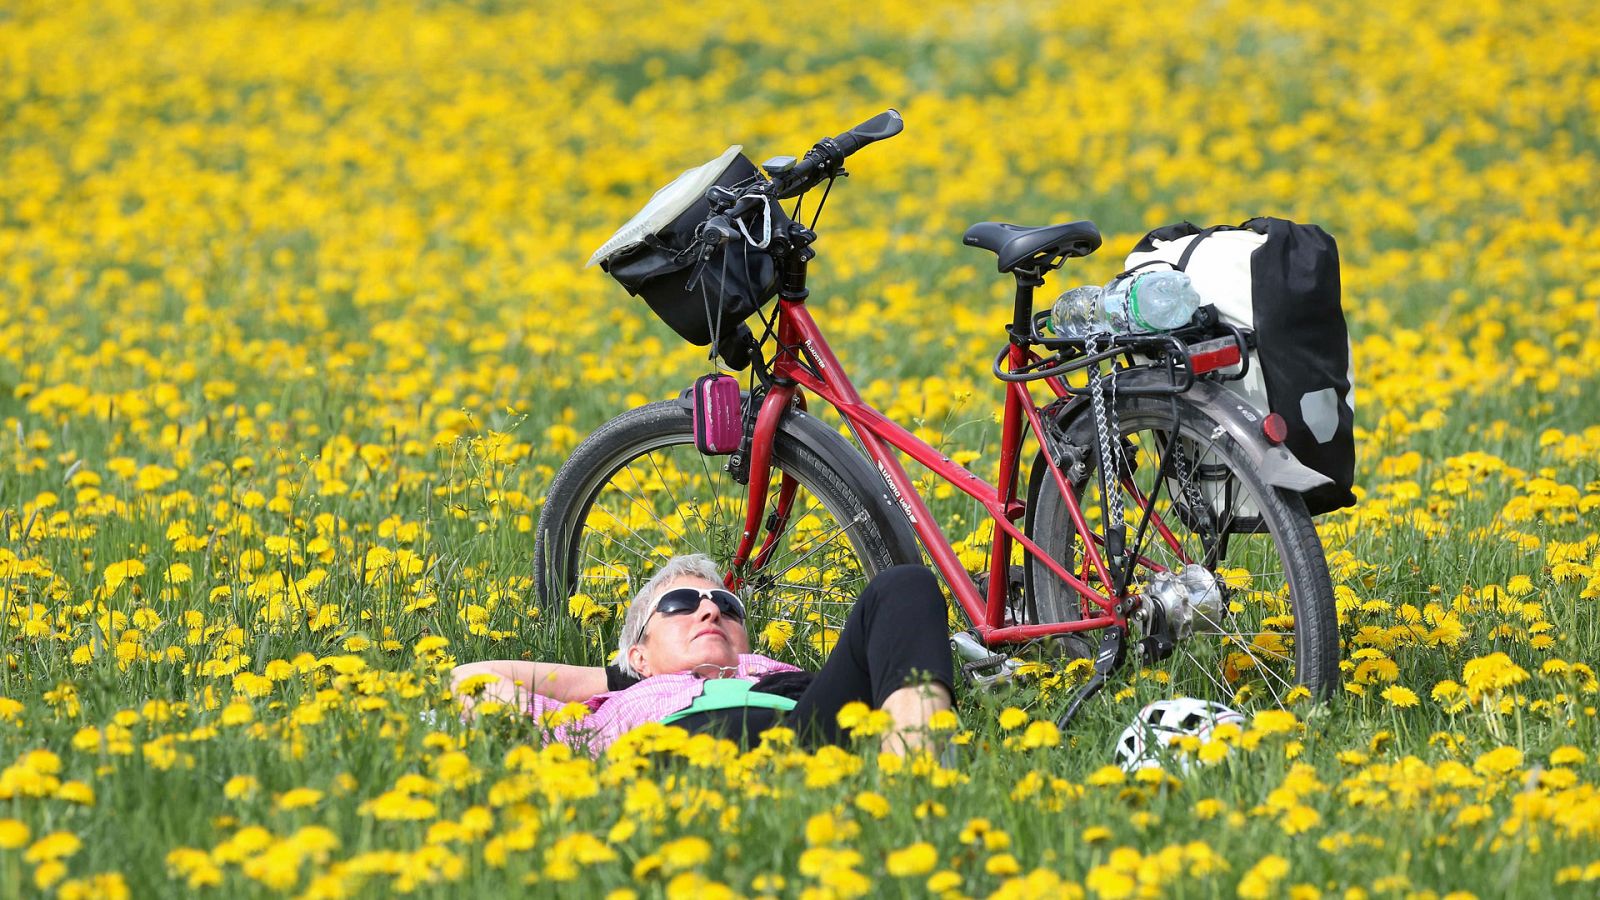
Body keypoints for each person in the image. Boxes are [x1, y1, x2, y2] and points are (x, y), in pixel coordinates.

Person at [450, 554, 955, 756]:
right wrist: (625, 677)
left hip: (806, 723)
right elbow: (473, 678)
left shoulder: (781, 672)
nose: (709, 613)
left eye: (727, 607)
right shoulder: (610, 710)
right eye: (680, 605)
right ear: (639, 653)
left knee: (904, 584)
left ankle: (915, 787)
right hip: (682, 746)